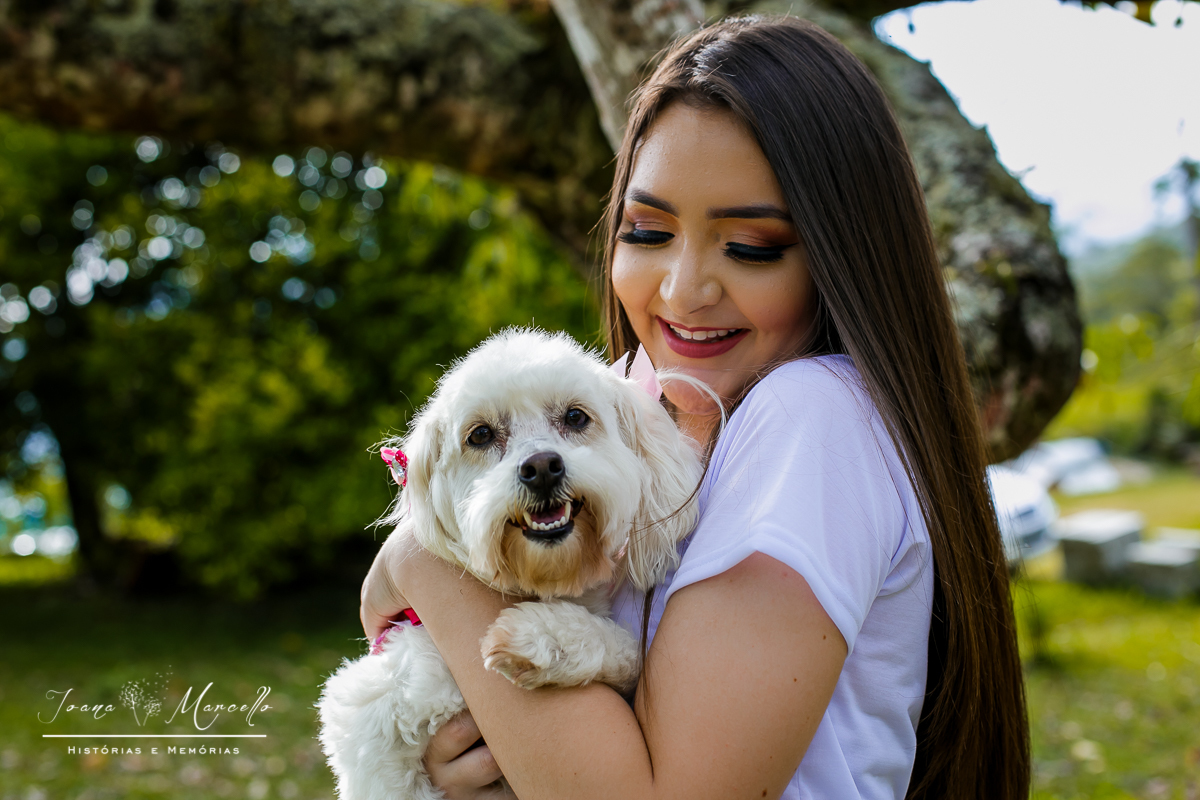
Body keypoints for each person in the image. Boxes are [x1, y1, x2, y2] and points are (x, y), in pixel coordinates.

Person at [359, 15, 1030, 800]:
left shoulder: (812, 416)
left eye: (750, 247)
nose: (682, 293)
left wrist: (420, 564)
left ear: (840, 253)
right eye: (647, 231)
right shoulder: (642, 403)